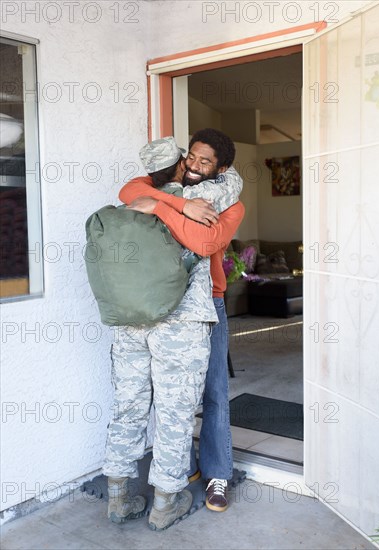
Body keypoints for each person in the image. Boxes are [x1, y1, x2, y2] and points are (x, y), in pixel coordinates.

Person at [103, 136, 243, 530]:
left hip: (138, 312)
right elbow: (130, 189)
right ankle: (163, 501)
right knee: (171, 408)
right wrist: (179, 204)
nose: (195, 163)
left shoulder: (225, 197)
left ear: (222, 168)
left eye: (205, 160)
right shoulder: (162, 187)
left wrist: (158, 208)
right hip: (170, 317)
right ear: (182, 158)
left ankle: (121, 496)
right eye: (191, 156)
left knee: (135, 403)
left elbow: (204, 240)